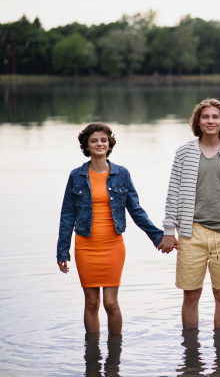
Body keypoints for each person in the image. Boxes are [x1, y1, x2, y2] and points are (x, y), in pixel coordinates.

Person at [158, 98, 220, 330]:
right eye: (205, 117)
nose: (210, 121)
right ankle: (191, 353)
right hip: (191, 233)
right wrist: (169, 231)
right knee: (191, 296)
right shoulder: (184, 153)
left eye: (215, 117)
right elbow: (173, 193)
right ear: (198, 122)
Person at [56, 123, 164, 334]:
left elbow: (136, 210)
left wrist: (157, 236)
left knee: (110, 303)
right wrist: (62, 250)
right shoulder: (76, 176)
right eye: (94, 140)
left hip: (113, 245)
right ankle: (93, 357)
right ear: (86, 145)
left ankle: (115, 357)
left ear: (109, 143)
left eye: (103, 140)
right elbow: (67, 215)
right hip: (85, 246)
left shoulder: (122, 174)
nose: (99, 144)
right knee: (91, 303)